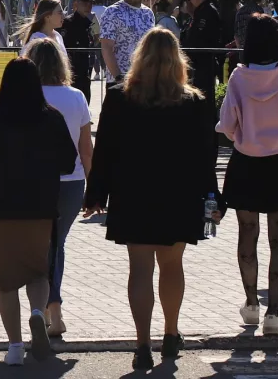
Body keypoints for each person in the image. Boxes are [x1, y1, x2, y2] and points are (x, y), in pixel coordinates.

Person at [84, 28, 219, 372]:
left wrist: (96, 193)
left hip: (133, 192)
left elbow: (105, 150)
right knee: (172, 266)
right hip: (180, 194)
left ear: (139, 57)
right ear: (178, 60)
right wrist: (212, 199)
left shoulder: (119, 97)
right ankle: (171, 333)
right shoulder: (195, 102)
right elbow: (206, 156)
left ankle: (142, 343)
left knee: (139, 269)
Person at [0, 57, 77, 366]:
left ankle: (14, 347)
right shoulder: (51, 117)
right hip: (41, 208)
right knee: (39, 271)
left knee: (7, 282)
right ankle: (39, 314)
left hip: (3, 209)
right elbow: (69, 161)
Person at [218, 16, 278, 336]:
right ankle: (273, 313)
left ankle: (250, 303)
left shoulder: (238, 77)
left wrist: (240, 135)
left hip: (246, 163)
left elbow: (228, 124)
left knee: (248, 234)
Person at [25, 37, 93, 340]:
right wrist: (94, 188)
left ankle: (45, 308)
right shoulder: (76, 96)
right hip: (71, 181)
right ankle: (54, 310)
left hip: (32, 182)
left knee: (38, 246)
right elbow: (86, 149)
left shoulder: (23, 96)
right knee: (56, 244)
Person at [99, 0, 157, 82]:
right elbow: (106, 47)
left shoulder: (148, 13)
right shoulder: (112, 12)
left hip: (144, 79)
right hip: (120, 80)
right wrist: (118, 77)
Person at [59, 0, 99, 95]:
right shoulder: (68, 23)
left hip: (87, 68)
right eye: (85, 3)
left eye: (91, 3)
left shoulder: (91, 21)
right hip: (73, 71)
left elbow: (96, 39)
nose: (89, 6)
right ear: (76, 4)